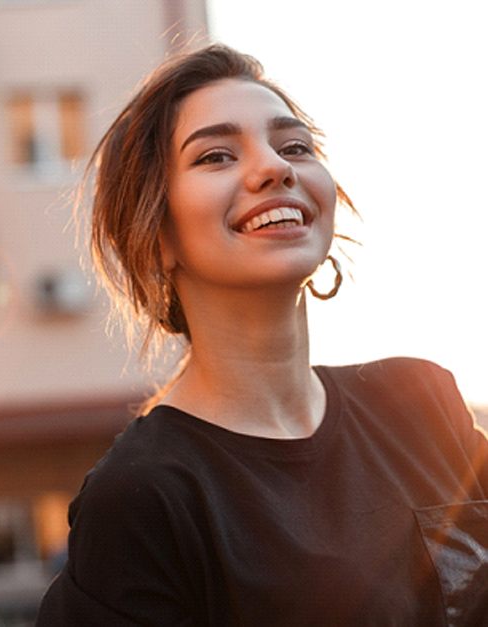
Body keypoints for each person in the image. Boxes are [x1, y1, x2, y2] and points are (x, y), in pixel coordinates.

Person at [36, 44, 488, 626]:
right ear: (156, 236)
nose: (275, 168)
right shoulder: (142, 498)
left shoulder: (422, 400)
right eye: (217, 156)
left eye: (294, 146)